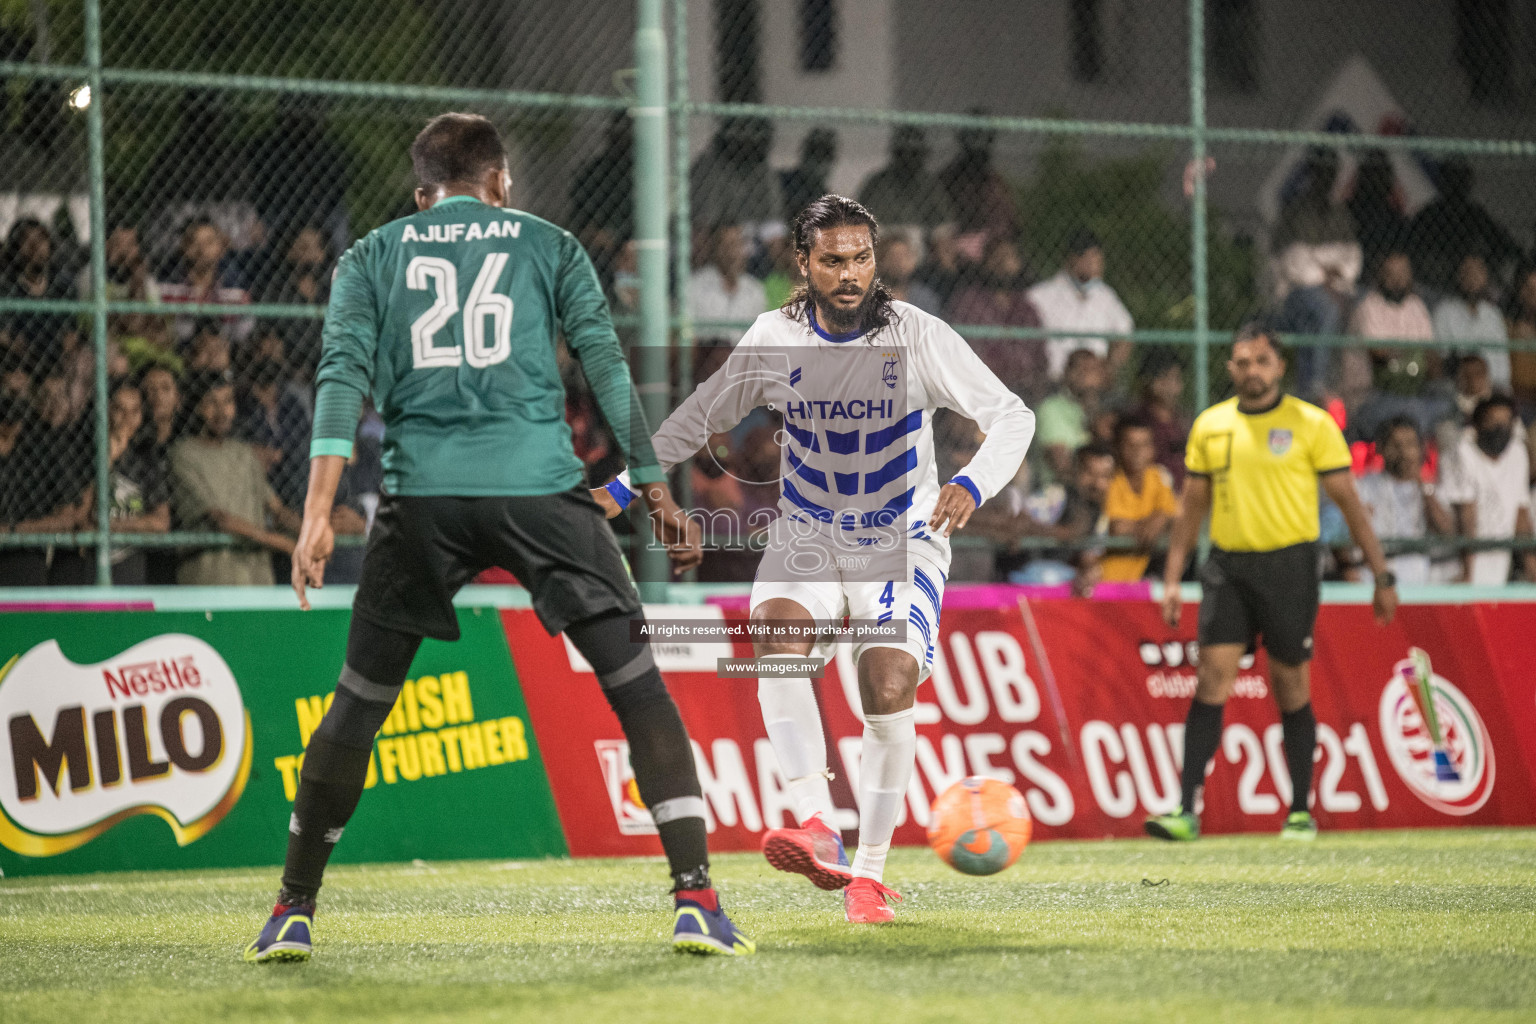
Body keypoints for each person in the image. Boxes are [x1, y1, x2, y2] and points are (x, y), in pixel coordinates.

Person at [245, 112, 749, 963]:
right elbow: (606, 367)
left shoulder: (369, 256)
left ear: (420, 193)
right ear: (502, 181)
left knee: (358, 707)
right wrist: (655, 486)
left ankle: (292, 907)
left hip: (423, 499)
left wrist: (313, 519)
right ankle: (696, 898)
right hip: (540, 492)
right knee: (636, 686)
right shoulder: (549, 244)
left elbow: (338, 384)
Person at [597, 194, 1034, 924]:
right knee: (777, 639)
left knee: (887, 684)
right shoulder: (775, 335)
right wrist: (621, 484)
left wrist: (969, 482)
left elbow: (1011, 415)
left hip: (901, 537)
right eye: (833, 260)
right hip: (808, 532)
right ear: (804, 264)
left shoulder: (917, 336)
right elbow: (701, 415)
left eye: (861, 257)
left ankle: (867, 876)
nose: (851, 272)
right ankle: (817, 822)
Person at [1147, 326, 1398, 844]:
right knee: (1211, 678)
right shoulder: (1211, 425)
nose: (1251, 371)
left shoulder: (1311, 424)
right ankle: (1184, 809)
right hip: (1227, 568)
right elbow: (1191, 509)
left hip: (1291, 568)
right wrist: (1173, 578)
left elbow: (1349, 502)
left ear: (1279, 366)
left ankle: (1300, 810)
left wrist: (1382, 574)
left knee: (1290, 685)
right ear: (1230, 368)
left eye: (1261, 361)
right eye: (1242, 362)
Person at [170, 373, 299, 585]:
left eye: (228, 401)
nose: (222, 412)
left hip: (257, 579)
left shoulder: (244, 453)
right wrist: (282, 543)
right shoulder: (184, 454)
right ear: (197, 407)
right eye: (211, 402)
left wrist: (308, 534)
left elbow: (276, 508)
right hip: (212, 579)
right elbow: (219, 519)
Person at [1441, 395, 1536, 585]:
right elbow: (1465, 515)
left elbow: (1521, 511)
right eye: (1492, 422)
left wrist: (1531, 565)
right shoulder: (1462, 451)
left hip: (1497, 566)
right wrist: (1468, 573)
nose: (1499, 429)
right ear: (1476, 425)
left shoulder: (1517, 453)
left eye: (1505, 422)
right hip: (1456, 566)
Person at [1356, 418, 1453, 587]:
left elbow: (1445, 531)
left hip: (1417, 584)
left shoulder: (1432, 489)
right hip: (1373, 583)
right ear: (1381, 448)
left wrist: (1422, 485)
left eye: (1410, 444)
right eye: (1395, 445)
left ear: (1420, 449)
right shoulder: (1364, 486)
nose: (1404, 452)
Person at [1027, 228, 1134, 381]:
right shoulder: (1040, 296)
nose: (1096, 264)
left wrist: (1108, 369)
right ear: (1072, 259)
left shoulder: (1105, 296)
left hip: (1094, 384)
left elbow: (1125, 335)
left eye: (1098, 258)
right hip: (1055, 380)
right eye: (1089, 257)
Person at [945, 235, 1044, 399]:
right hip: (981, 386)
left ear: (1018, 264)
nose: (1003, 264)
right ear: (985, 263)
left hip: (1025, 387)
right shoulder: (968, 302)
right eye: (997, 258)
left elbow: (1040, 353)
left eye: (1009, 257)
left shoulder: (1026, 307)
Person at [1406, 157, 1521, 295]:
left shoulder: (1475, 213)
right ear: (1443, 180)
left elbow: (1506, 246)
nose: (1456, 184)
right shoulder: (1429, 214)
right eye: (1451, 178)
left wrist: (1483, 264)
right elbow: (1409, 247)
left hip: (1471, 281)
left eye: (1460, 178)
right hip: (1434, 282)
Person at [104, 378, 171, 584]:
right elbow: (80, 514)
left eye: (135, 411)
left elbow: (160, 522)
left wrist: (109, 526)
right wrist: (109, 460)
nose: (127, 419)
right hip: (86, 560)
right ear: (106, 411)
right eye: (119, 410)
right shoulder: (83, 452)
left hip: (127, 559)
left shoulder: (146, 459)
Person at [1100, 416, 1178, 582]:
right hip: (1108, 579)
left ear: (1153, 448)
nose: (1137, 451)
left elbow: (1172, 515)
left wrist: (1161, 518)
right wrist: (1155, 521)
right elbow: (1118, 528)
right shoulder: (1110, 480)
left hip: (1147, 580)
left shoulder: (1159, 476)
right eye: (1130, 445)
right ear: (1118, 447)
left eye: (1144, 445)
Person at [160, 216, 253, 344]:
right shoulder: (169, 285)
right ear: (185, 248)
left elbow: (244, 331)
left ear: (220, 248)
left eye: (209, 242)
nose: (201, 249)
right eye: (194, 243)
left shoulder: (235, 286)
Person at [1433, 252, 1510, 391]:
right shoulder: (1444, 311)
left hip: (1494, 389)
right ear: (1458, 276)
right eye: (1467, 272)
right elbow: (1443, 359)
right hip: (1459, 389)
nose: (1472, 278)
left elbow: (1502, 365)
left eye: (1478, 272)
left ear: (1486, 276)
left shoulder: (1493, 314)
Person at [1033, 348, 1108, 487]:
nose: (1087, 377)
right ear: (1067, 373)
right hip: (1060, 490)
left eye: (1094, 370)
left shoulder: (1105, 411)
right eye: (1082, 369)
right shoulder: (1050, 408)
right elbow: (1061, 465)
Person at [856, 125, 953, 231]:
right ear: (895, 154)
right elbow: (862, 221)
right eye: (903, 153)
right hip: (886, 236)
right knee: (898, 247)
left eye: (914, 154)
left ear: (922, 155)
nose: (908, 159)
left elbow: (945, 221)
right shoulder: (878, 182)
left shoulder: (930, 184)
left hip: (919, 236)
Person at [690, 224, 767, 347]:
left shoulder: (755, 290)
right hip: (708, 359)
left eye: (736, 245)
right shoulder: (695, 286)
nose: (732, 253)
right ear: (715, 249)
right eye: (726, 245)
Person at [1131, 349, 1190, 487]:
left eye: (1176, 378)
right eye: (1167, 378)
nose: (1174, 386)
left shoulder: (1183, 421)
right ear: (1150, 381)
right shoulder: (1137, 421)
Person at [779, 127, 837, 225]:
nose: (819, 165)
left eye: (825, 156)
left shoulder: (823, 195)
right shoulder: (784, 180)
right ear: (805, 156)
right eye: (814, 155)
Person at [876, 233, 941, 315]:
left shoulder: (924, 297)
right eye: (894, 257)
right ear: (881, 261)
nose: (900, 263)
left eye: (905, 256)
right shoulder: (871, 298)